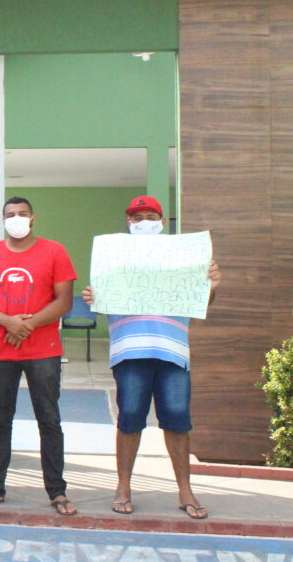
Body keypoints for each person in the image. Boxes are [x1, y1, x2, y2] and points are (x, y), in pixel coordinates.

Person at [81, 195, 222, 519]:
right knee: (130, 418)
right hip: (130, 351)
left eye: (150, 215)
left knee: (177, 421)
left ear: (162, 221)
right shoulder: (114, 258)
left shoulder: (182, 258)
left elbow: (200, 302)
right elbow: (101, 296)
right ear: (128, 223)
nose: (143, 221)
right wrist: (94, 295)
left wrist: (213, 284)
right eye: (137, 216)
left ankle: (185, 490)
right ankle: (123, 486)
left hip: (172, 351)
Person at [0, 197, 78, 516]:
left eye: (22, 214)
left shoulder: (54, 251)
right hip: (1, 351)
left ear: (33, 218)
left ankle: (57, 491)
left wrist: (26, 324)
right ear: (3, 220)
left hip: (43, 351)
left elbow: (64, 301)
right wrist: (9, 322)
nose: (16, 218)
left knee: (49, 419)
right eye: (9, 215)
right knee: (0, 419)